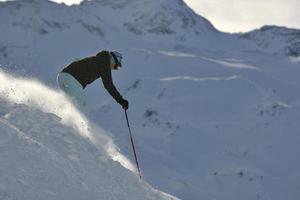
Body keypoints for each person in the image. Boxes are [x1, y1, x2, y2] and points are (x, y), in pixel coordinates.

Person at [57, 50, 128, 111]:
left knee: (70, 103)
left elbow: (77, 61)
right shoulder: (105, 63)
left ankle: (56, 120)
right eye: (116, 67)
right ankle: (74, 126)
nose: (114, 69)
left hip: (62, 76)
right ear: (113, 60)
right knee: (80, 107)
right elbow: (108, 85)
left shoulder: (98, 59)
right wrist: (121, 101)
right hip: (72, 80)